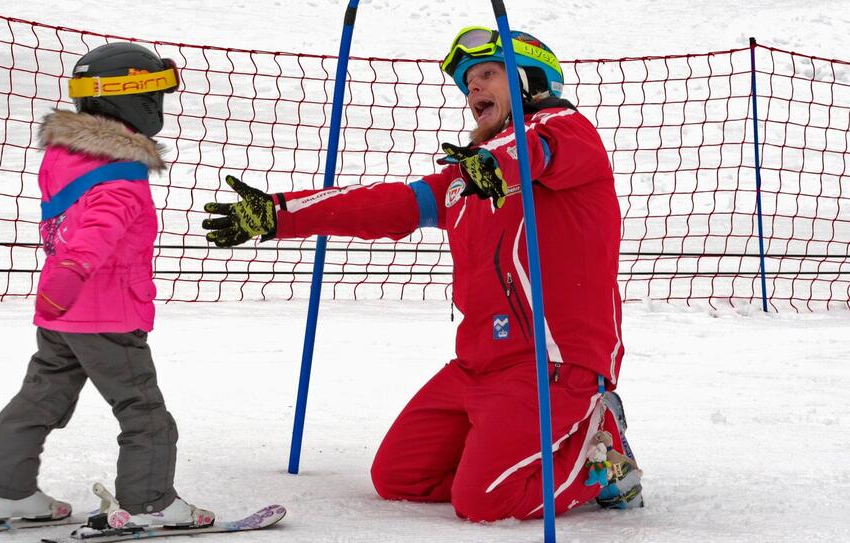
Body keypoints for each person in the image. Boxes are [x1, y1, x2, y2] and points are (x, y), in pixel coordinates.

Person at [201, 27, 643, 522]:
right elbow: (387, 204)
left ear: (529, 78)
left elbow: (534, 152)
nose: (474, 89)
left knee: (483, 502)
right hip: (478, 363)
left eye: (488, 74)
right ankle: (515, 453)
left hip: (553, 366)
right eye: (469, 82)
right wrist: (283, 215)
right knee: (398, 478)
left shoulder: (564, 131)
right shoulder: (466, 179)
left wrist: (495, 166)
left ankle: (600, 458)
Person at [0, 42, 214, 531]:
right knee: (143, 411)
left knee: (41, 398)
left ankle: (4, 490)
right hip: (106, 314)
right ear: (131, 98)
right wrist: (71, 274)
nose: (160, 106)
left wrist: (61, 287)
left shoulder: (68, 157)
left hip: (61, 313)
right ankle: (149, 503)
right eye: (156, 93)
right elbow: (97, 230)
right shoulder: (121, 177)